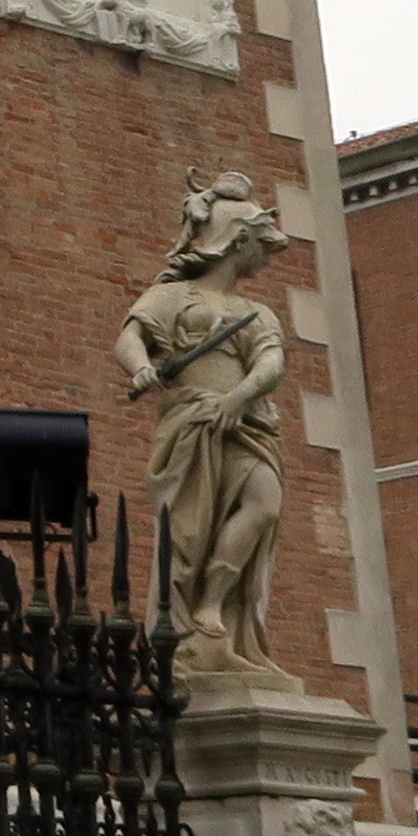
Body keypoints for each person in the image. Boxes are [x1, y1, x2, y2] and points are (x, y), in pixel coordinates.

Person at [122, 172, 299, 683]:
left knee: (264, 503)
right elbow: (130, 337)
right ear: (240, 241)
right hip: (191, 421)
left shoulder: (254, 311)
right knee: (188, 531)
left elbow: (271, 365)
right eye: (262, 247)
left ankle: (213, 609)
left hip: (244, 423)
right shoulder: (175, 296)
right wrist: (142, 369)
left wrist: (238, 398)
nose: (266, 260)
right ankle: (186, 629)